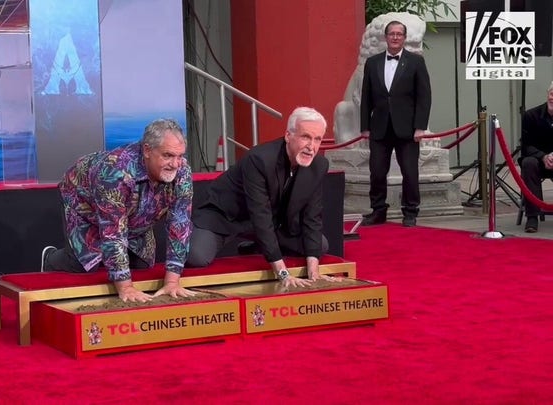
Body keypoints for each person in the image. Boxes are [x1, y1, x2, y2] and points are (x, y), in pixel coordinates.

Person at [41, 118, 196, 302]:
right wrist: (126, 287)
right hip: (84, 201)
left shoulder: (182, 170)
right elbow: (113, 231)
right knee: (82, 264)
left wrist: (172, 282)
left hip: (136, 210)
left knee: (141, 263)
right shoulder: (115, 171)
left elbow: (180, 223)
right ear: (147, 150)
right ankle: (50, 258)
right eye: (168, 155)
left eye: (180, 156)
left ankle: (112, 261)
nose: (175, 164)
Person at [186, 107, 336, 288]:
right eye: (305, 137)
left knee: (319, 246)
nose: (311, 147)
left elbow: (312, 217)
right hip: (227, 216)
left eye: (317, 139)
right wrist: (283, 273)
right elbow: (259, 213)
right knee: (197, 256)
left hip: (269, 223)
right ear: (288, 136)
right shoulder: (259, 159)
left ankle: (254, 246)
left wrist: (314, 273)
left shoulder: (318, 165)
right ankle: (261, 245)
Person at [359, 20, 432, 227]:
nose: (395, 37)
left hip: (407, 128)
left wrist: (420, 126)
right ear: (386, 36)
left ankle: (410, 212)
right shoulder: (372, 63)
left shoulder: (416, 62)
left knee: (409, 172)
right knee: (377, 171)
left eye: (399, 34)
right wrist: (365, 126)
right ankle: (378, 211)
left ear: (404, 37)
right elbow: (366, 97)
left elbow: (424, 96)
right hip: (379, 127)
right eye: (392, 33)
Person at [520, 82, 553, 233]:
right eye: (552, 94)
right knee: (528, 163)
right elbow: (526, 145)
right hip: (538, 161)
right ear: (547, 94)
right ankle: (532, 217)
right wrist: (543, 157)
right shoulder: (531, 115)